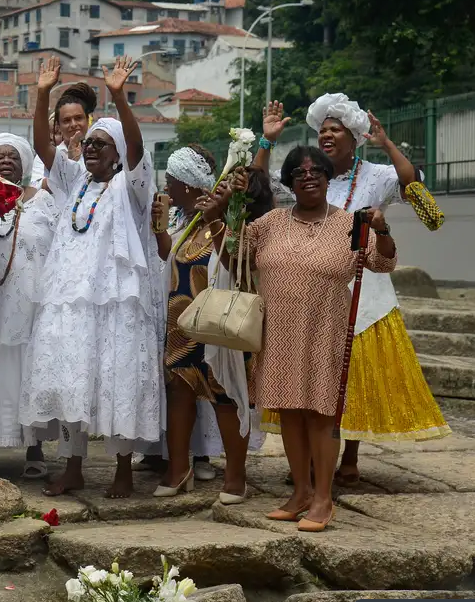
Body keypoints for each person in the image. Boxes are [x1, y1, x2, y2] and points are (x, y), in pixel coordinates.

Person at [254, 96, 450, 486]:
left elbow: (421, 200)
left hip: (367, 290)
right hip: (307, 291)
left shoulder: (377, 175)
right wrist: (266, 141)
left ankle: (349, 455)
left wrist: (387, 143)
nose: (326, 135)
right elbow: (257, 194)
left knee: (354, 376)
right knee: (314, 379)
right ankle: (311, 460)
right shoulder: (306, 175)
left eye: (335, 129)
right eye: (322, 129)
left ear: (355, 137)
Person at [203, 145, 397, 531]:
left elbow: (385, 261)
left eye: (316, 172)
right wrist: (216, 221)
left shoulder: (349, 223)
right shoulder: (270, 223)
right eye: (299, 173)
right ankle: (301, 492)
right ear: (290, 181)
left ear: (328, 179)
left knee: (321, 415)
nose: (308, 177)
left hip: (325, 333)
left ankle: (323, 498)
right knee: (290, 414)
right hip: (279, 333)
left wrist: (382, 229)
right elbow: (235, 259)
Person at [20, 56, 164, 499]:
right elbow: (44, 146)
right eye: (89, 143)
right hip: (68, 300)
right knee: (70, 381)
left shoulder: (132, 187)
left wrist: (120, 98)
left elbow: (137, 147)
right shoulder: (71, 182)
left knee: (117, 380)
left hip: (117, 303)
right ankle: (74, 466)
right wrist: (43, 92)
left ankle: (123, 468)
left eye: (103, 143)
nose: (93, 148)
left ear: (119, 153)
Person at [147, 148, 274, 503]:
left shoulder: (231, 215)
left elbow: (236, 263)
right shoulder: (180, 218)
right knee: (179, 391)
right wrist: (159, 229)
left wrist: (218, 217)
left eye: (171, 180)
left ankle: (236, 477)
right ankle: (178, 470)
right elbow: (168, 256)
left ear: (186, 183)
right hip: (181, 321)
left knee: (225, 395)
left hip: (220, 321)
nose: (167, 186)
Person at [0, 133, 61, 478]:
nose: (6, 161)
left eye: (13, 157)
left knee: (27, 373)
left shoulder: (43, 203)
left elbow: (56, 250)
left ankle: (34, 449)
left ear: (25, 165)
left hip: (29, 305)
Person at [30, 83, 96, 189]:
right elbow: (35, 187)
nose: (74, 124)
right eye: (66, 120)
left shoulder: (99, 152)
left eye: (79, 118)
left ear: (87, 120)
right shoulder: (50, 156)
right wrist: (69, 165)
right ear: (59, 126)